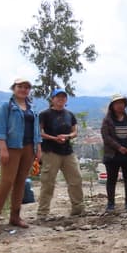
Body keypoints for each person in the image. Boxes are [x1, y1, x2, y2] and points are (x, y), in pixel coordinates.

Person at [0, 76, 41, 235]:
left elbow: (36, 130)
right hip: (12, 147)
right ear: (14, 88)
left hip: (28, 148)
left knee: (21, 182)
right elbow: (0, 128)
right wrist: (3, 148)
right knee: (6, 182)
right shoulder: (7, 106)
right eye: (20, 87)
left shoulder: (31, 108)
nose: (23, 90)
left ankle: (15, 216)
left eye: (26, 87)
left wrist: (38, 147)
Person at [36, 89, 85, 219]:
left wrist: (67, 136)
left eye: (63, 97)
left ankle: (78, 209)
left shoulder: (69, 115)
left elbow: (75, 132)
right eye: (58, 97)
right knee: (48, 182)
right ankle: (42, 212)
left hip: (67, 151)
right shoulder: (44, 114)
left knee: (76, 179)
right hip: (50, 151)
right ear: (52, 99)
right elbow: (39, 132)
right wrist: (53, 138)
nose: (61, 99)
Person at [101, 93, 127, 212]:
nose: (120, 106)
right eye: (117, 103)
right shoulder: (107, 120)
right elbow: (106, 137)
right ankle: (111, 204)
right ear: (112, 106)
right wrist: (118, 147)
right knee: (111, 179)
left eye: (122, 103)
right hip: (112, 155)